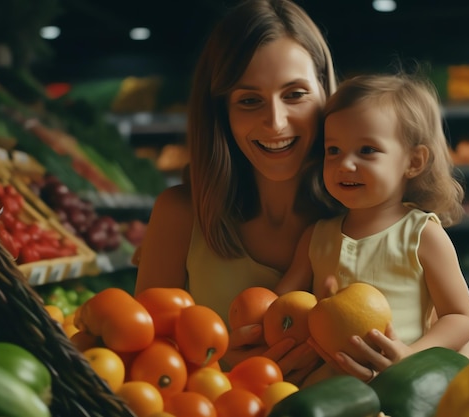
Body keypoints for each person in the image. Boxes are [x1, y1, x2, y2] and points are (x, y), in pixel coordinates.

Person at [133, 0, 342, 381]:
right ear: (220, 113)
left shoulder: (368, 216)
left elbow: (458, 347)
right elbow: (141, 363)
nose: (275, 122)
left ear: (326, 94)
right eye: (249, 100)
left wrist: (395, 362)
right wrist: (215, 358)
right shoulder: (179, 216)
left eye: (295, 94)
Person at [276, 72, 469, 384]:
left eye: (366, 150)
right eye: (333, 150)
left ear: (413, 161)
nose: (345, 164)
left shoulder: (422, 234)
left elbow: (460, 317)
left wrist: (411, 356)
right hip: (326, 385)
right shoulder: (316, 236)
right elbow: (283, 303)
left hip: (401, 385)